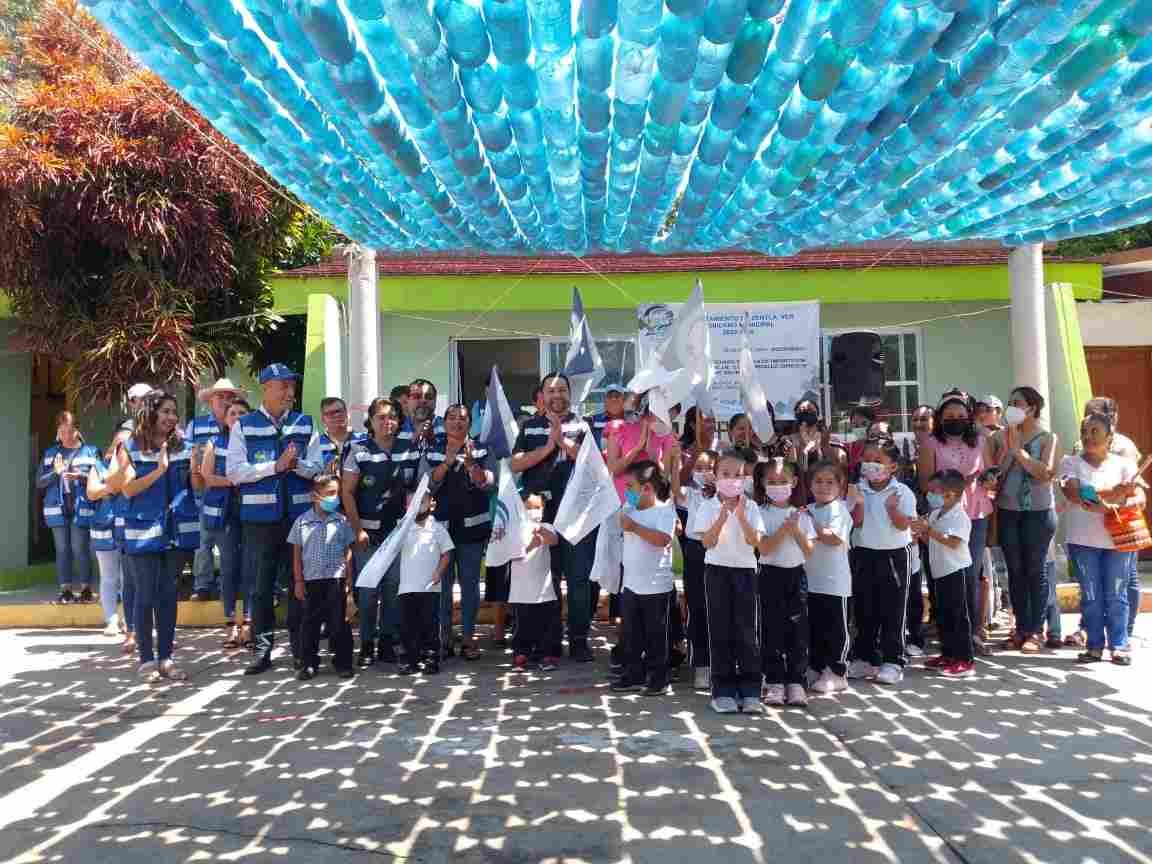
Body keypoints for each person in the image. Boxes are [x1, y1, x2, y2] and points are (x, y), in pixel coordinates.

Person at [226, 364, 320, 676]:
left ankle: (301, 652)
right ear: (265, 388)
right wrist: (273, 468)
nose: (290, 393)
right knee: (260, 589)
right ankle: (262, 653)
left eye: (292, 386)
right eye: (283, 386)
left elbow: (318, 468)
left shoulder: (305, 423)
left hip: (298, 520)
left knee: (299, 587)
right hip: (259, 522)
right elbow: (235, 472)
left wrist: (297, 465)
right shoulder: (244, 426)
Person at [511, 373, 597, 661]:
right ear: (542, 396)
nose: (556, 395)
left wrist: (564, 442)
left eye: (562, 390)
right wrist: (548, 446)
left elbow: (594, 467)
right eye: (551, 390)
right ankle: (549, 642)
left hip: (577, 517)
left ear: (570, 394)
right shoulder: (530, 427)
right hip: (540, 517)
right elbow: (516, 463)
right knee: (546, 579)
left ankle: (579, 640)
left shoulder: (585, 425)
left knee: (578, 581)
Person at [113, 392, 197, 681]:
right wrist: (159, 470)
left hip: (175, 531)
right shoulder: (129, 446)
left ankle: (167, 658)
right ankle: (146, 660)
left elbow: (195, 486)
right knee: (145, 594)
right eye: (166, 411)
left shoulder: (184, 446)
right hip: (142, 531)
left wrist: (199, 467)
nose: (172, 417)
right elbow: (127, 489)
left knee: (168, 595)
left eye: (175, 412)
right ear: (150, 412)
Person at [1059, 413, 1143, 666]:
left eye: (1095, 431)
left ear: (1110, 436)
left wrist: (1121, 500)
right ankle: (1094, 645)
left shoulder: (1125, 465)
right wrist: (1113, 496)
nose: (1088, 437)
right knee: (1091, 595)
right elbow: (1072, 493)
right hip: (1082, 541)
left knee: (1117, 594)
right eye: (1085, 431)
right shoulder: (1069, 463)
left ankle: (1119, 645)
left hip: (1118, 540)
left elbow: (1140, 497)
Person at [342, 397, 418, 666]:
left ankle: (387, 643)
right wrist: (357, 530)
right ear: (371, 422)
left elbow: (417, 489)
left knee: (392, 589)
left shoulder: (410, 449)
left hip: (398, 535)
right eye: (381, 417)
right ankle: (366, 644)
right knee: (367, 591)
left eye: (393, 417)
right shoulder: (358, 450)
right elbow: (347, 493)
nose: (388, 422)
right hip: (367, 536)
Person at [689, 449, 766, 714]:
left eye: (738, 475)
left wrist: (742, 517)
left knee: (746, 632)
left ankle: (750, 690)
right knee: (720, 630)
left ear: (745, 478)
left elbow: (755, 542)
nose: (732, 480)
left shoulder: (752, 506)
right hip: (717, 572)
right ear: (716, 476)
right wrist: (721, 518)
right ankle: (722, 690)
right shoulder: (707, 506)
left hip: (744, 571)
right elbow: (706, 542)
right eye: (726, 474)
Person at [918, 391, 993, 653]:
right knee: (946, 573)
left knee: (970, 573)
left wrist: (988, 479)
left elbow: (990, 472)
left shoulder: (981, 441)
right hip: (944, 514)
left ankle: (972, 633)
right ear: (940, 418)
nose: (955, 420)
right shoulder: (930, 443)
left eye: (961, 416)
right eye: (949, 416)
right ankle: (949, 632)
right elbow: (926, 480)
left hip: (976, 512)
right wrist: (958, 483)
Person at [991, 387, 1060, 653]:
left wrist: (1019, 452)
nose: (1012, 408)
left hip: (1039, 513)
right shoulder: (1001, 436)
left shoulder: (1047, 438)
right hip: (1009, 511)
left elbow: (1045, 473)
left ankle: (1036, 631)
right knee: (1015, 571)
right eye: (1010, 403)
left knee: (1036, 570)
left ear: (1032, 408)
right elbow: (993, 471)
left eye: (1017, 403)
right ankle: (1021, 628)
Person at [848, 439, 917, 686]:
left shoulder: (902, 492)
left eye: (878, 461)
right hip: (863, 553)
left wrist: (892, 510)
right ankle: (865, 656)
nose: (871, 465)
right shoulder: (856, 488)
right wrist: (859, 503)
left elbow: (903, 524)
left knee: (893, 609)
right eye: (867, 460)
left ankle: (893, 660)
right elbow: (854, 522)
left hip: (894, 555)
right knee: (865, 608)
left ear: (893, 466)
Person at [428, 404, 494, 660]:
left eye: (463, 419)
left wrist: (471, 466)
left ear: (470, 423)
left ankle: (468, 638)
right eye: (452, 418)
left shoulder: (481, 448)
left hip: (473, 531)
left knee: (469, 587)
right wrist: (446, 461)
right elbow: (428, 485)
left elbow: (489, 483)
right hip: (441, 532)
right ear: (444, 422)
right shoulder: (433, 450)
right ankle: (444, 638)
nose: (457, 423)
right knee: (442, 588)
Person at [611, 461, 678, 696]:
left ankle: (659, 678)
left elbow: (662, 540)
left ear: (647, 488)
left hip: (656, 587)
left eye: (630, 486)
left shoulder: (665, 511)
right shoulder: (629, 509)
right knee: (630, 635)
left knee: (656, 636)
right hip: (630, 585)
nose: (627, 491)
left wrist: (635, 528)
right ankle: (632, 674)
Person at [754, 457, 815, 707]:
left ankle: (796, 682)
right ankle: (775, 681)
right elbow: (764, 549)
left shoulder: (802, 514)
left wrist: (796, 529)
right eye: (772, 482)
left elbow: (809, 550)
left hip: (795, 576)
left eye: (783, 481)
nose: (777, 486)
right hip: (769, 576)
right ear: (762, 484)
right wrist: (783, 530)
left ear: (794, 483)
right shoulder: (760, 513)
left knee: (798, 631)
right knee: (771, 630)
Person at [1083, 397, 1142, 639]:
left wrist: (1114, 498)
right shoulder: (1081, 445)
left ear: (1112, 418)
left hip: (1121, 519)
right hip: (1090, 524)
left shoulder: (1123, 446)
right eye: (1087, 416)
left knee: (1126, 578)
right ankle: (1089, 630)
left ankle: (1125, 631)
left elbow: (1133, 488)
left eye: (1095, 416)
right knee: (1092, 587)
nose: (1088, 423)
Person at [289, 474, 356, 681]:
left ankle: (343, 662)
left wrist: (349, 581)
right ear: (315, 496)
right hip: (312, 581)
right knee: (310, 624)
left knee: (339, 623)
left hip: (335, 579)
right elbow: (297, 555)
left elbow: (348, 552)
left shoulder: (341, 521)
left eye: (336, 493)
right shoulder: (302, 522)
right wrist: (299, 582)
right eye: (330, 494)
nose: (334, 498)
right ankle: (309, 663)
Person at [200, 399, 252, 648]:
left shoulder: (254, 441)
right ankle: (231, 623)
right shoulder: (215, 441)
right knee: (230, 568)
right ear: (225, 417)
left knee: (251, 568)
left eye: (242, 413)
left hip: (254, 511)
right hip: (225, 512)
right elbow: (207, 476)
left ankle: (251, 624)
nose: (237, 416)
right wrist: (234, 480)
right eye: (233, 413)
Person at [188, 378, 244, 602]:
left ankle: (228, 585)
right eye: (220, 396)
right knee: (204, 541)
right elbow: (188, 454)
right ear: (210, 400)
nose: (225, 400)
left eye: (229, 396)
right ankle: (202, 585)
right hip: (205, 491)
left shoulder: (242, 422)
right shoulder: (197, 425)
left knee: (233, 543)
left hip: (237, 494)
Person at [917, 470, 975, 677]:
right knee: (943, 614)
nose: (930, 495)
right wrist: (921, 531)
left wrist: (929, 531)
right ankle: (948, 654)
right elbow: (931, 540)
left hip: (956, 571)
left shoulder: (959, 516)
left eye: (935, 491)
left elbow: (953, 541)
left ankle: (965, 659)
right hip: (938, 571)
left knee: (958, 616)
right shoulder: (935, 513)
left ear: (950, 494)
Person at [38, 411, 100, 604]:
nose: (66, 435)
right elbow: (39, 482)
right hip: (57, 509)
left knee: (80, 548)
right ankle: (65, 590)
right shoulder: (50, 454)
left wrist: (80, 477)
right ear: (58, 431)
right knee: (62, 549)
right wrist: (55, 474)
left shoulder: (91, 451)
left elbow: (101, 477)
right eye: (62, 431)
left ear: (77, 430)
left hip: (81, 508)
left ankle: (86, 589)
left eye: (70, 430)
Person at [806, 461, 854, 695]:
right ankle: (816, 667)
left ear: (840, 486)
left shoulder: (839, 510)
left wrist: (809, 523)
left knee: (836, 629)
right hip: (811, 582)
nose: (823, 486)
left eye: (830, 482)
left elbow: (832, 538)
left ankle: (837, 672)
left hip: (835, 584)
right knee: (815, 628)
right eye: (818, 481)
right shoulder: (807, 509)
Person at [396, 488, 454, 675]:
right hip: (406, 587)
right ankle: (409, 660)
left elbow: (446, 553)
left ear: (431, 503)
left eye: (421, 501)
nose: (417, 506)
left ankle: (431, 658)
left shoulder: (437, 528)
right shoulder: (401, 528)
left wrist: (439, 572)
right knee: (407, 625)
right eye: (412, 502)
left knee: (430, 624)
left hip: (430, 587)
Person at [676, 448, 717, 690]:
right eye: (698, 469)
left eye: (709, 468)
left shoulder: (725, 494)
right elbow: (674, 489)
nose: (704, 473)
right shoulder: (690, 494)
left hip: (719, 549)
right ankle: (700, 663)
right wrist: (679, 460)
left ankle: (721, 661)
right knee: (698, 606)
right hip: (695, 550)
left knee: (719, 608)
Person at [509, 493, 560, 671]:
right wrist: (531, 545)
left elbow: (554, 540)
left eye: (537, 508)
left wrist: (540, 529)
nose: (533, 512)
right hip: (520, 590)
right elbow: (512, 555)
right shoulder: (513, 528)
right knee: (522, 623)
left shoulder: (546, 526)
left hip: (543, 589)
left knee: (545, 623)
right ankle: (521, 654)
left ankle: (545, 655)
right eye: (529, 507)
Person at [86, 435, 125, 636]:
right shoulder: (99, 466)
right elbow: (91, 492)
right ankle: (111, 620)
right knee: (109, 577)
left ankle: (130, 620)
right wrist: (110, 488)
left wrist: (107, 489)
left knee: (129, 577)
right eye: (120, 445)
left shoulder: (135, 465)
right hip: (104, 528)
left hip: (128, 527)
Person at [786, 399, 846, 503]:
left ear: (817, 415)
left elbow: (839, 464)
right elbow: (792, 468)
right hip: (800, 494)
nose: (806, 412)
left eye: (810, 410)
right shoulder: (788, 440)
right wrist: (802, 439)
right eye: (803, 410)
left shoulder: (828, 438)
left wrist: (825, 446)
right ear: (796, 416)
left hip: (825, 492)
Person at [308, 397, 366, 474]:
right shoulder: (315, 444)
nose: (336, 416)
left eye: (339, 411)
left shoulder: (364, 439)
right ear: (323, 419)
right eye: (330, 414)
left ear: (347, 413)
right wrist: (324, 473)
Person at [586, 381, 629, 451]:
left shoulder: (632, 419)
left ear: (623, 400)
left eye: (617, 396)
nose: (613, 399)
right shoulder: (593, 420)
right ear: (605, 402)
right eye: (609, 396)